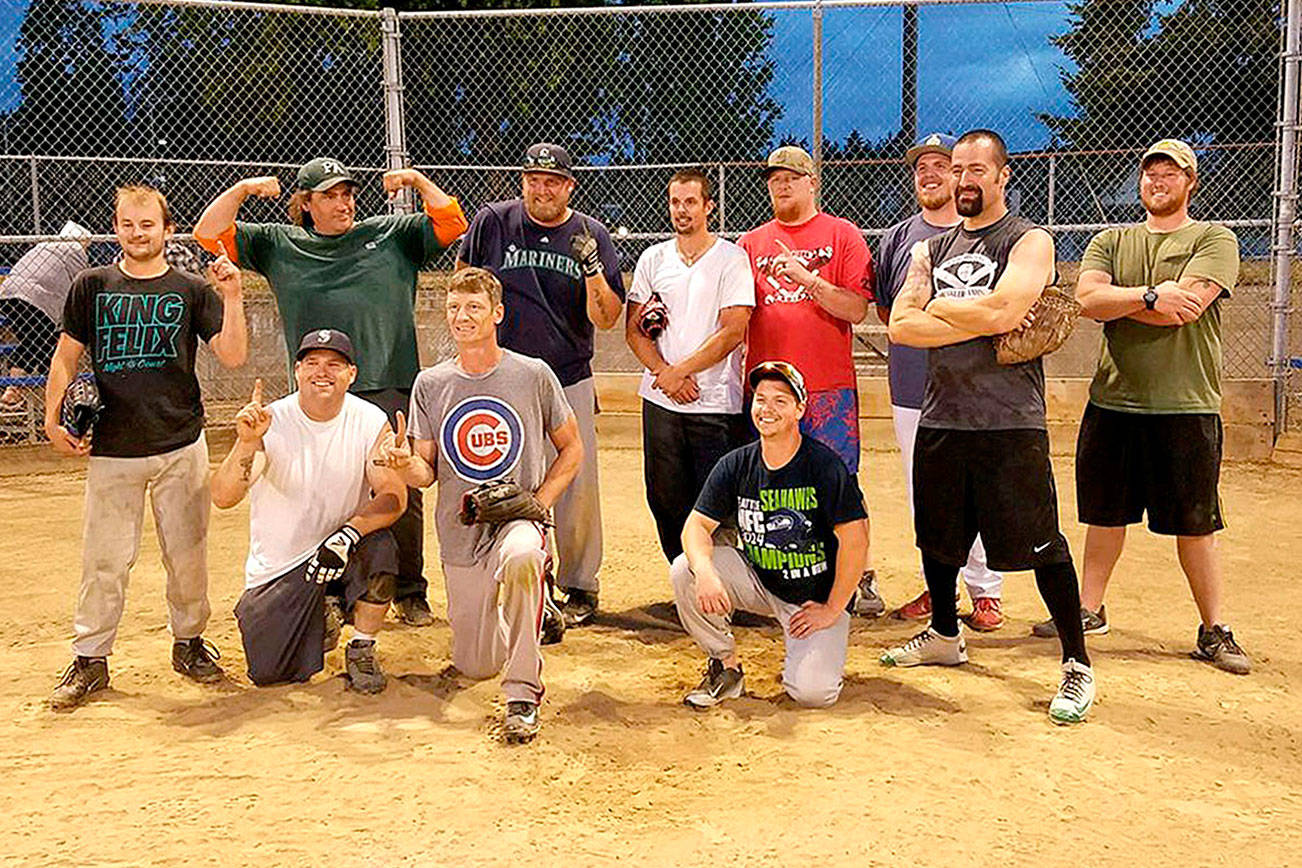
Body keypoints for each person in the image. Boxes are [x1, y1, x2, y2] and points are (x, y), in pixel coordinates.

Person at [194, 158, 469, 628]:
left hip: (387, 380)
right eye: (329, 195)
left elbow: (451, 222)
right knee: (323, 488)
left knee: (397, 483)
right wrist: (243, 188)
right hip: (318, 390)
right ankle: (333, 589)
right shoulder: (279, 244)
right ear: (306, 203)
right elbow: (209, 233)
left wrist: (417, 180)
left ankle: (409, 590)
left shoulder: (390, 234)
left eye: (347, 193)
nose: (343, 203)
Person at [881, 129, 1095, 725]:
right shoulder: (929, 249)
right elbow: (901, 326)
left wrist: (942, 308)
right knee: (938, 539)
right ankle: (945, 634)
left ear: (1002, 175)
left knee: (1041, 543)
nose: (964, 180)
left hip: (1009, 420)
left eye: (977, 169)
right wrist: (983, 316)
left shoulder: (1028, 240)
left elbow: (1007, 309)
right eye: (957, 169)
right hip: (942, 413)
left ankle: (1076, 662)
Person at [1032, 139, 1250, 675]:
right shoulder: (1111, 239)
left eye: (1171, 173)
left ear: (1190, 182)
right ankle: (1088, 610)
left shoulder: (1214, 238)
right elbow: (1086, 300)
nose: (1158, 180)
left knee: (1194, 523)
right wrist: (1152, 296)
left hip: (1184, 404)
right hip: (1113, 400)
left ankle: (1213, 628)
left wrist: (1121, 301)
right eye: (1151, 172)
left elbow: (1187, 309)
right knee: (1105, 515)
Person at [45, 185, 248, 711]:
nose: (138, 233)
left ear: (167, 230)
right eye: (128, 224)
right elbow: (66, 356)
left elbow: (232, 355)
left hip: (180, 441)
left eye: (147, 225)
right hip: (113, 447)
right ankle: (90, 658)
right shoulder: (92, 285)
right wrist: (51, 416)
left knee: (188, 555)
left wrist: (232, 297)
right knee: (104, 560)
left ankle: (189, 643)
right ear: (116, 228)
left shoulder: (189, 289)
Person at [382, 267, 583, 743]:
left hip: (517, 521)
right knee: (476, 665)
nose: (462, 316)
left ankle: (522, 694)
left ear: (497, 313)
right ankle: (532, 611)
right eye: (454, 307)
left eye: (473, 307)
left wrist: (539, 505)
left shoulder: (532, 374)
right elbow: (427, 472)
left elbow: (572, 448)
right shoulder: (431, 383)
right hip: (462, 529)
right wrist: (404, 464)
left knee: (524, 556)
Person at [456, 143, 624, 628]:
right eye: (534, 180)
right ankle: (501, 575)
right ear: (523, 181)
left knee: (575, 485)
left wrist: (592, 268)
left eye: (552, 181)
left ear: (570, 186)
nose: (542, 190)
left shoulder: (590, 233)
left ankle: (580, 584)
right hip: (501, 378)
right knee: (495, 479)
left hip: (567, 376)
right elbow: (464, 289)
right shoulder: (493, 222)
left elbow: (607, 318)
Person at [211, 330, 407, 692]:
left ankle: (362, 646)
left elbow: (393, 495)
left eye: (335, 364)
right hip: (285, 565)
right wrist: (247, 442)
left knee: (381, 547)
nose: (322, 372)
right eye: (312, 363)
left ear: (351, 374)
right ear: (297, 371)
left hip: (343, 549)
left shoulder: (368, 419)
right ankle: (325, 611)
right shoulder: (271, 421)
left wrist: (347, 535)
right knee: (270, 674)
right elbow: (223, 497)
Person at [737, 145, 884, 618]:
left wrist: (808, 279)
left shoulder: (842, 235)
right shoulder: (750, 244)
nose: (781, 185)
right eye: (774, 179)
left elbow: (855, 309)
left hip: (827, 388)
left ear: (812, 182)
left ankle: (857, 575)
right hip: (768, 390)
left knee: (839, 484)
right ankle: (779, 578)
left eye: (792, 177)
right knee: (772, 484)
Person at [671, 361, 869, 709]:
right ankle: (725, 666)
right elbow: (696, 526)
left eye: (780, 401)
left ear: (799, 410)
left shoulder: (824, 466)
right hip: (759, 579)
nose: (767, 409)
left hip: (811, 598)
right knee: (684, 569)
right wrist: (705, 572)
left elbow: (856, 540)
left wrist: (832, 608)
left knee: (813, 695)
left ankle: (818, 647)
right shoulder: (736, 463)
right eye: (761, 399)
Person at [874, 133, 1005, 631]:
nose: (929, 174)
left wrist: (936, 320)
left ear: (961, 175)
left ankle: (986, 591)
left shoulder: (988, 236)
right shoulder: (897, 238)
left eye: (941, 165)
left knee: (977, 489)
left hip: (976, 386)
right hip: (913, 387)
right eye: (921, 167)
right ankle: (940, 586)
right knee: (925, 491)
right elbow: (888, 311)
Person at [625, 168, 753, 562]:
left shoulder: (731, 258)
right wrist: (664, 373)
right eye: (675, 202)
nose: (682, 210)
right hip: (661, 401)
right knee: (664, 499)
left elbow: (733, 331)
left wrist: (680, 372)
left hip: (714, 403)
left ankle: (721, 582)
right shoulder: (653, 258)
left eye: (691, 202)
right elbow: (634, 330)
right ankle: (684, 577)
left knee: (716, 503)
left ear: (709, 206)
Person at [0, 221, 91, 407]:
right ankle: (47, 391)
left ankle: (26, 387)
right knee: (44, 342)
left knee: (36, 341)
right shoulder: (76, 252)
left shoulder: (45, 244)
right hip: (37, 299)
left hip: (9, 293)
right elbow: (79, 288)